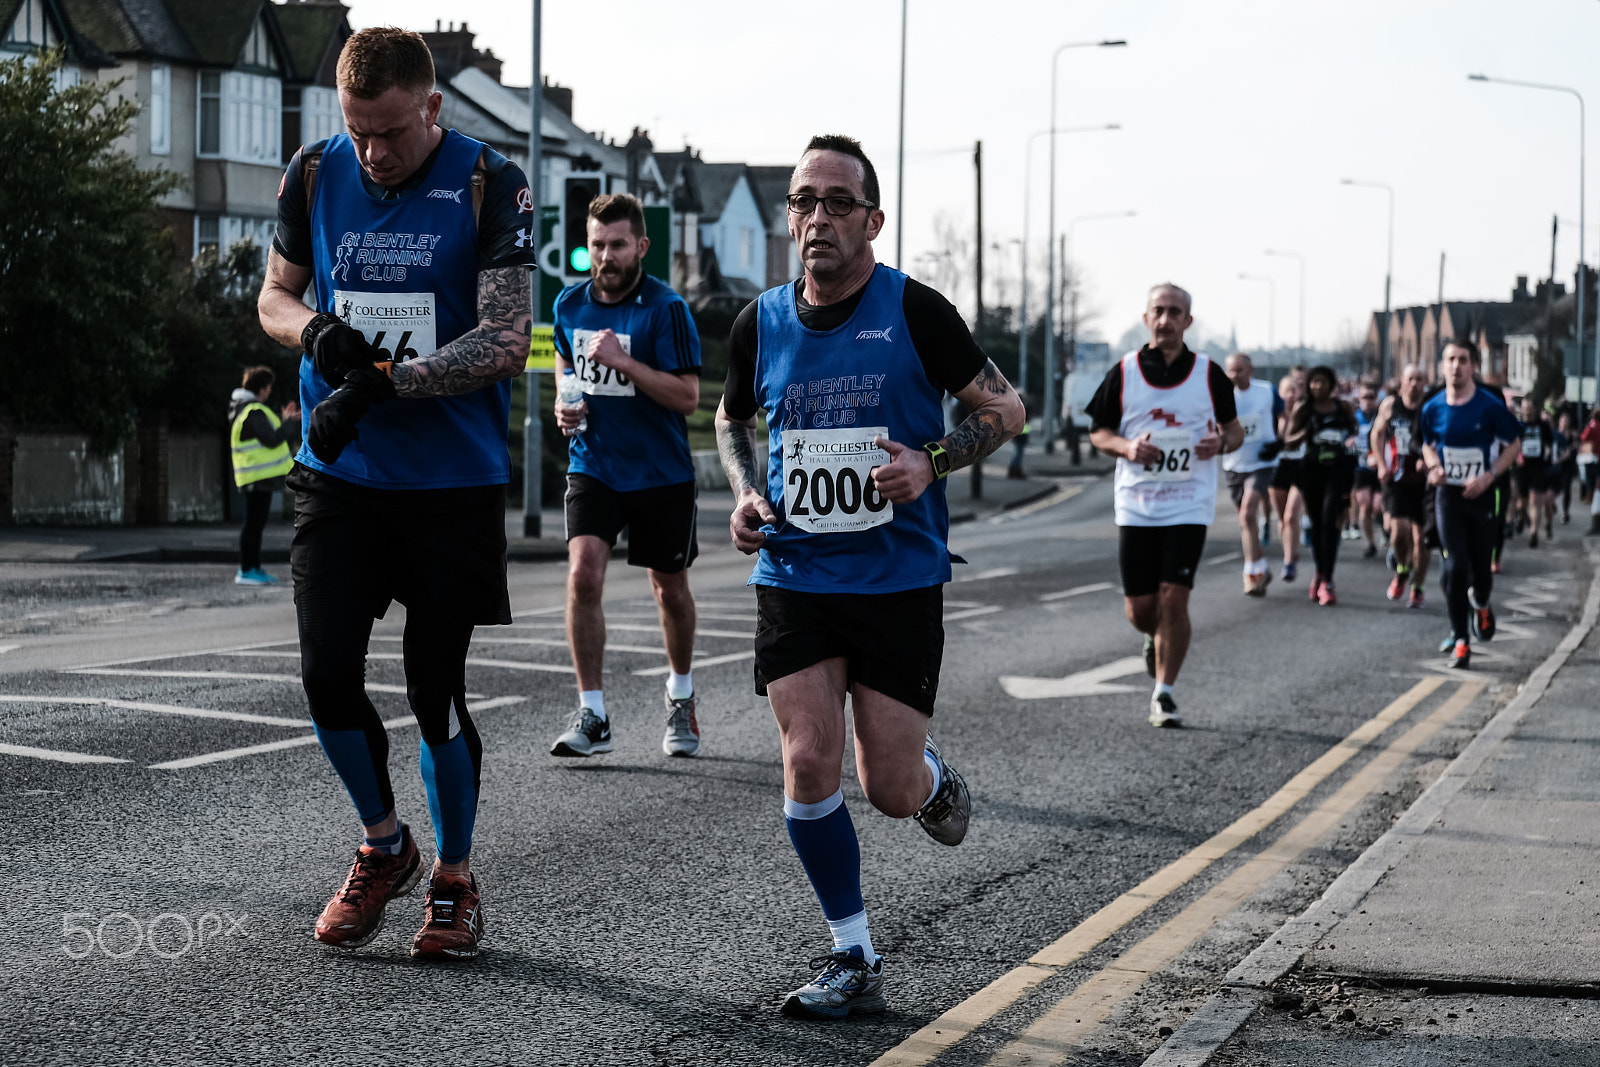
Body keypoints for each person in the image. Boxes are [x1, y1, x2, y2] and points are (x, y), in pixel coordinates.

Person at [714, 134, 1023, 1018]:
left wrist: (931, 459)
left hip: (896, 576)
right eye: (803, 201)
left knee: (886, 786)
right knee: (807, 759)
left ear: (873, 220)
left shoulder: (917, 311)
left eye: (836, 203)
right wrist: (744, 493)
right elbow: (732, 422)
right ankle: (854, 952)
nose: (816, 218)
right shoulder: (758, 320)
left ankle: (929, 776)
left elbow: (1006, 407)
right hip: (796, 570)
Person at [256, 27, 535, 959]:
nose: (374, 154)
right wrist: (319, 337)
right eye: (358, 132)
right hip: (341, 476)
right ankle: (385, 843)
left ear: (433, 108)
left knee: (434, 691)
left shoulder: (490, 181)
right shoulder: (311, 172)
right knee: (325, 675)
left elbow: (503, 341)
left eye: (392, 134)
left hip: (450, 484)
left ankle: (454, 874)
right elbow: (274, 296)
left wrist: (381, 383)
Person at [546, 194, 705, 759]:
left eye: (616, 245)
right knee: (584, 575)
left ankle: (680, 697)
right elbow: (566, 362)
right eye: (596, 245)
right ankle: (593, 713)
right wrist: (566, 403)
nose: (605, 256)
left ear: (640, 246)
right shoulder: (569, 304)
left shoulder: (665, 309)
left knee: (670, 588)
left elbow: (687, 397)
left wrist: (625, 363)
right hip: (594, 465)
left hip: (660, 472)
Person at [1087, 284, 1243, 727]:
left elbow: (1234, 432)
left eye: (1175, 312)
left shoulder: (1210, 374)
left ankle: (1164, 692)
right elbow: (1099, 432)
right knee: (1141, 611)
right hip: (1137, 505)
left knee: (1175, 599)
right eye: (1159, 310)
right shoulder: (1126, 370)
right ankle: (1153, 638)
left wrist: (1220, 442)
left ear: (1188, 321)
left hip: (1188, 504)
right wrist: (1128, 447)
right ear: (1146, 317)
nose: (1166, 319)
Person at [1420, 341, 1522, 669]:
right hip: (1448, 497)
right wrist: (1435, 467)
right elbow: (1428, 445)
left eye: (1462, 360)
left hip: (1481, 497)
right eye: (1450, 359)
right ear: (1442, 366)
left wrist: (1489, 476)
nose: (1456, 366)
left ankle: (1481, 603)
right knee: (1454, 566)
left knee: (1481, 570)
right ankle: (1461, 641)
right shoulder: (1432, 408)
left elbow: (1513, 444)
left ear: (1473, 366)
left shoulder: (1490, 406)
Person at [1284, 366, 1359, 605]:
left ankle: (1328, 580)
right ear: (1309, 385)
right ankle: (1319, 572)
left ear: (1331, 383)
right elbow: (1288, 442)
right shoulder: (1303, 409)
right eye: (1314, 382)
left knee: (1330, 522)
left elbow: (1355, 432)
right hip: (1312, 472)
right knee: (1317, 526)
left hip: (1337, 472)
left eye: (1323, 381)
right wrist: (1306, 432)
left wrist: (1352, 439)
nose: (1318, 386)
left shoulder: (1342, 407)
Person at [229, 366, 300, 586]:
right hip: (258, 477)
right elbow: (272, 439)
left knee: (254, 525)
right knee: (253, 525)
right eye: (268, 387)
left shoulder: (244, 408)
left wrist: (285, 419)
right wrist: (289, 423)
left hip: (256, 477)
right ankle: (248, 570)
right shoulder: (253, 410)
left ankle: (252, 568)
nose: (269, 391)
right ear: (261, 388)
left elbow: (265, 435)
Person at [1221, 353, 1282, 596]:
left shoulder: (1266, 390)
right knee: (1246, 521)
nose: (1235, 375)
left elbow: (1286, 416)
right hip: (1234, 463)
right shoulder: (1222, 395)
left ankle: (1250, 572)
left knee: (1248, 511)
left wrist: (1281, 440)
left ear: (1250, 370)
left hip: (1262, 461)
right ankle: (1260, 568)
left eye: (1239, 370)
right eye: (1230, 371)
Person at [1371, 363, 1430, 607]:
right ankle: (1403, 569)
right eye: (1410, 379)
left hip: (1424, 483)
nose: (1414, 383)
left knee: (1422, 539)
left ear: (1424, 382)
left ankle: (1417, 586)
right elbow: (1376, 433)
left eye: (1418, 379)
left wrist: (1430, 462)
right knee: (1399, 531)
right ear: (1402, 381)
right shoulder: (1390, 405)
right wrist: (1381, 463)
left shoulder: (1430, 408)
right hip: (1396, 478)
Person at [1267, 373, 1306, 582]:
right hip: (1278, 469)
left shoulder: (1306, 414)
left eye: (1294, 390)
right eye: (1285, 391)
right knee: (1283, 519)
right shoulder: (1271, 416)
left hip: (1300, 468)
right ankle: (1290, 549)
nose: (1290, 395)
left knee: (1291, 515)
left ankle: (1289, 562)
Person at [1511, 396, 1553, 547]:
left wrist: (1548, 457)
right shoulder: (1516, 425)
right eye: (1525, 408)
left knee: (1535, 501)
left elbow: (1549, 444)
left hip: (1538, 467)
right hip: (1521, 468)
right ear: (1521, 410)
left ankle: (1534, 533)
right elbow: (1510, 445)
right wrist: (1516, 457)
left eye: (1530, 408)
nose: (1527, 411)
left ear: (1534, 409)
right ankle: (1521, 517)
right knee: (1522, 502)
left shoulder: (1542, 425)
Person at [1350, 383, 1381, 559]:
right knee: (1365, 504)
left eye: (1371, 397)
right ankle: (1371, 543)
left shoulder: (1381, 416)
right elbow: (1345, 435)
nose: (1368, 401)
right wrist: (1349, 440)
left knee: (1378, 506)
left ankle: (1384, 527)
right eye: (1364, 397)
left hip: (1379, 467)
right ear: (1359, 399)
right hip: (1361, 468)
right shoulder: (1354, 417)